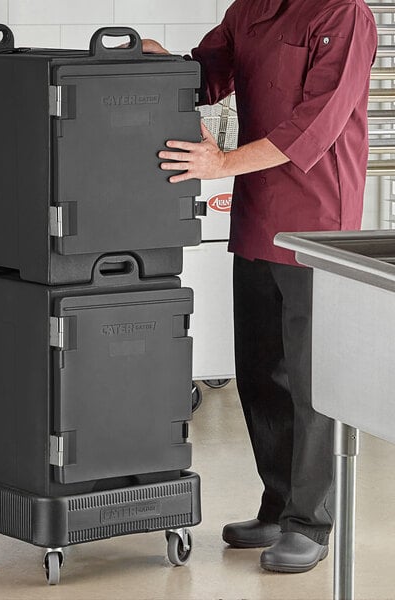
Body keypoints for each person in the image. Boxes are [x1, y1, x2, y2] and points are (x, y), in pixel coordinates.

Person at [144, 0, 377, 573]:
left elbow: (316, 123)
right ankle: (278, 507)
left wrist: (220, 164)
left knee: (311, 381)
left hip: (316, 222)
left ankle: (312, 523)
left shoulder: (343, 13)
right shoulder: (248, 9)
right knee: (259, 371)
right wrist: (161, 65)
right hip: (255, 218)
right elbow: (210, 73)